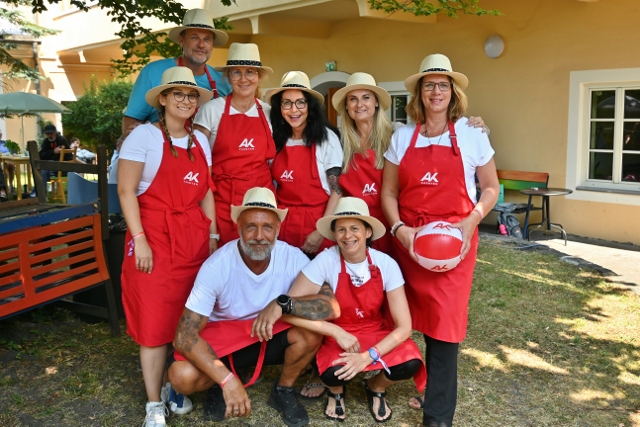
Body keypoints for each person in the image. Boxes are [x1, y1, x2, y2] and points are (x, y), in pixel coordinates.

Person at [381, 53, 500, 427]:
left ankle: (437, 416)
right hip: (408, 242)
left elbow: (491, 187)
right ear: (419, 92)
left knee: (445, 329)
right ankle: (384, 382)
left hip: (454, 245)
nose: (436, 91)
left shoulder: (472, 134)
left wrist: (472, 220)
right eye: (429, 85)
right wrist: (399, 229)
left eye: (443, 85)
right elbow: (388, 193)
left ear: (453, 92)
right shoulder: (402, 136)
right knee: (398, 318)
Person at [168, 187, 333, 427]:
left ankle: (283, 390)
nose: (259, 236)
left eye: (267, 227)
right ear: (238, 228)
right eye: (250, 227)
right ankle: (220, 383)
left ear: (277, 229)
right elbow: (184, 336)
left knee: (311, 331)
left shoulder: (292, 257)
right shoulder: (217, 265)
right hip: (225, 344)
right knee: (181, 377)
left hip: (267, 335)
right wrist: (226, 380)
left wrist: (282, 303)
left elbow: (330, 305)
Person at [117, 66, 219, 427]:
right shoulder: (143, 136)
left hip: (192, 240)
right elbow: (126, 191)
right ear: (162, 99)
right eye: (178, 94)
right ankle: (153, 404)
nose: (186, 101)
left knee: (185, 318)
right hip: (154, 238)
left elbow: (206, 192)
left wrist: (212, 236)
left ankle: (171, 385)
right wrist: (140, 240)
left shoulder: (199, 141)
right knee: (154, 323)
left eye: (191, 95)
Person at [281, 197, 425, 422]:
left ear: (368, 232)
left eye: (354, 228)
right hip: (338, 336)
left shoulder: (386, 264)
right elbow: (289, 309)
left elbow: (404, 327)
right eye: (341, 229)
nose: (347, 236)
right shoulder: (325, 261)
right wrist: (335, 331)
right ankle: (335, 390)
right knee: (332, 374)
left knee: (410, 363)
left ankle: (376, 386)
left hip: (374, 331)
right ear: (334, 234)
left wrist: (369, 356)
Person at [332, 72, 491, 256]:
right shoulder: (340, 143)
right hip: (356, 228)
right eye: (352, 99)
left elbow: (442, 138)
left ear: (376, 102)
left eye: (366, 97)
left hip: (393, 224)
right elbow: (337, 187)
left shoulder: (396, 133)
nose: (360, 104)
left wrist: (481, 127)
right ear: (346, 106)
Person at [194, 43, 276, 245]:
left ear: (259, 77)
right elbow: (197, 164)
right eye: (236, 72)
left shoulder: (269, 113)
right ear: (228, 77)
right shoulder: (211, 110)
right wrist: (212, 232)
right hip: (222, 203)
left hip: (261, 202)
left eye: (250, 72)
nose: (243, 79)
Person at [266, 71, 344, 257]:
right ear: (280, 107)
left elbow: (338, 190)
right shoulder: (276, 139)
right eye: (287, 103)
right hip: (283, 225)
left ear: (310, 105)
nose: (294, 110)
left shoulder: (326, 138)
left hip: (317, 224)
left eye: (300, 102)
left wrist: (321, 231)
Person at [122, 8, 232, 136]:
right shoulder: (153, 71)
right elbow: (131, 121)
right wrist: (132, 135)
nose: (201, 45)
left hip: (209, 147)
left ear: (212, 45)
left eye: (207, 39)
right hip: (162, 146)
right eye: (194, 37)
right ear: (182, 40)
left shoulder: (223, 80)